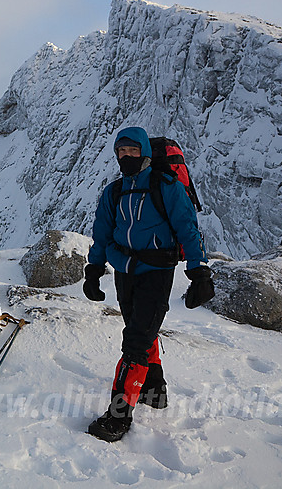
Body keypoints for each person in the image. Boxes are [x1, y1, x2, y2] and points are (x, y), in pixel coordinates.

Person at [83, 126, 215, 442]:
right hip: (124, 271)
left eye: (131, 151)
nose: (125, 157)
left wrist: (199, 272)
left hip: (157, 270)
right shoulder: (113, 192)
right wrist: (94, 269)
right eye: (120, 152)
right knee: (141, 331)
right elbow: (101, 234)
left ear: (143, 151)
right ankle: (154, 390)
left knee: (135, 340)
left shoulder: (166, 187)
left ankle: (118, 416)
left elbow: (188, 229)